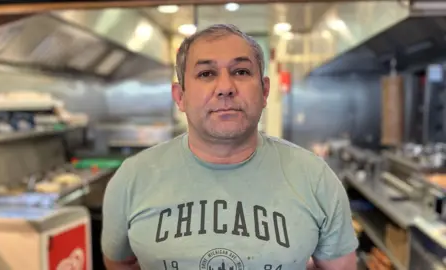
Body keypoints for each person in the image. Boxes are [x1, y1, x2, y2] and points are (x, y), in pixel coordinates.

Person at [101, 24, 358, 270]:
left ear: (265, 90)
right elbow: (119, 262)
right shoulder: (132, 178)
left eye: (241, 72)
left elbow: (340, 267)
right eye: (206, 73)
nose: (225, 88)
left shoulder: (315, 177)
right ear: (180, 96)